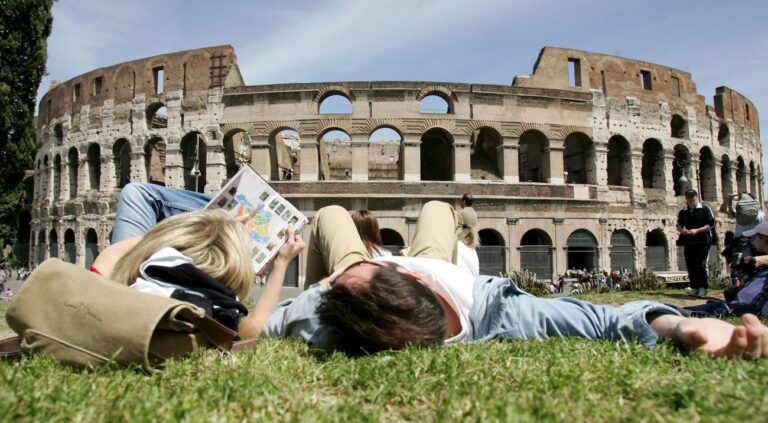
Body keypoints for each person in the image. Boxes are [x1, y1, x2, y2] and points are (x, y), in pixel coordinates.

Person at [112, 183, 768, 360]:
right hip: (430, 270)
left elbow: (253, 331)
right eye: (358, 274)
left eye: (344, 283)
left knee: (334, 211)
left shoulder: (320, 313)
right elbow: (602, 320)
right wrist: (680, 327)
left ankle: (355, 238)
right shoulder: (499, 311)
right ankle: (459, 224)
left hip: (382, 270)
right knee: (434, 206)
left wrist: (311, 268)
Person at [95, 208, 305, 339]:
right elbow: (258, 326)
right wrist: (282, 262)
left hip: (141, 270)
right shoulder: (223, 311)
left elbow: (111, 254)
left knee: (135, 192)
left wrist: (172, 235)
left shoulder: (112, 290)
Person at [676, 189, 715, 298]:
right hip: (689, 241)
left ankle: (703, 288)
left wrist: (697, 230)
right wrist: (682, 231)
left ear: (696, 197)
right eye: (688, 198)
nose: (690, 200)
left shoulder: (705, 209)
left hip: (703, 241)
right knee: (690, 265)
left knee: (701, 264)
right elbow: (678, 225)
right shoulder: (684, 211)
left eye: (692, 198)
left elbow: (711, 224)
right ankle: (695, 287)